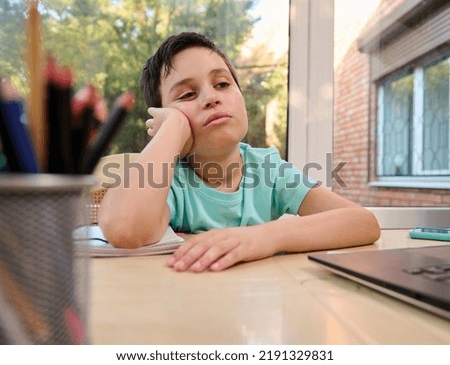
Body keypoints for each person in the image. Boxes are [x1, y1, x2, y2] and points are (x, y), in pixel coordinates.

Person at [98, 32, 380, 272]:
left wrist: (268, 236)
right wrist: (173, 128)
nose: (212, 98)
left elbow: (363, 223)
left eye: (222, 84)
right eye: (187, 94)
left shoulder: (268, 169)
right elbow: (124, 229)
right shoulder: (167, 179)